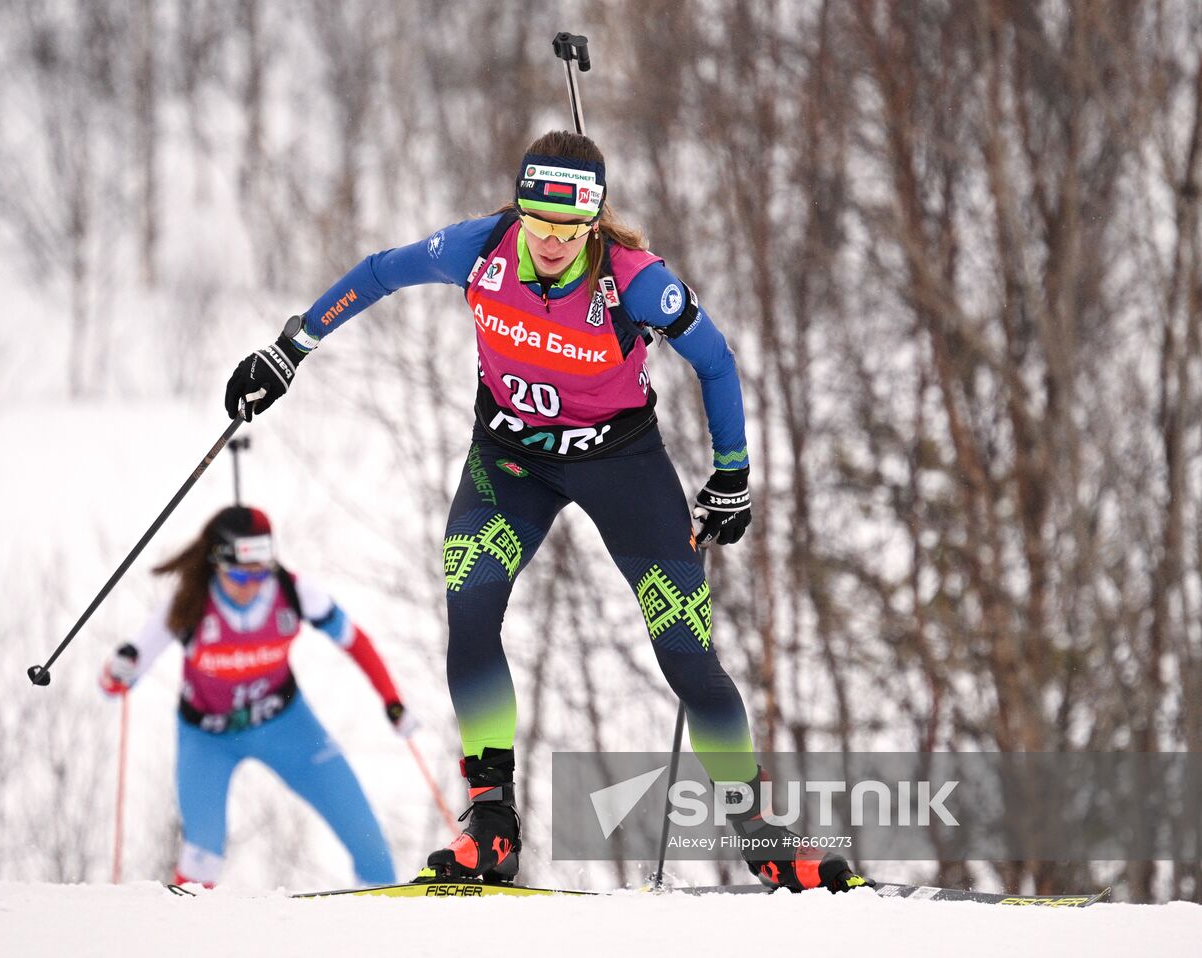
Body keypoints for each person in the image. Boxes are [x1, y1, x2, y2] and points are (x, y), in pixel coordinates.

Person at [222, 131, 870, 893]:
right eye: (540, 224)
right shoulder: (479, 250)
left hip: (620, 466)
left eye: (571, 229)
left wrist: (732, 476)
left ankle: (759, 833)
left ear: (594, 222)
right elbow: (376, 275)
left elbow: (716, 360)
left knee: (687, 654)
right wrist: (289, 348)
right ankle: (492, 817)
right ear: (519, 210)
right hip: (510, 463)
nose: (555, 242)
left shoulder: (636, 282)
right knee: (470, 606)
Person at [99, 505, 413, 888]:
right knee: (201, 860)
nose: (250, 584)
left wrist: (391, 700)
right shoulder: (188, 605)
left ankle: (382, 932)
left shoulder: (293, 591)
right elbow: (116, 684)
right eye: (238, 575)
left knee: (370, 845)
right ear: (216, 563)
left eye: (260, 573)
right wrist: (118, 670)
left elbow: (354, 641)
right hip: (207, 739)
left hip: (287, 726)